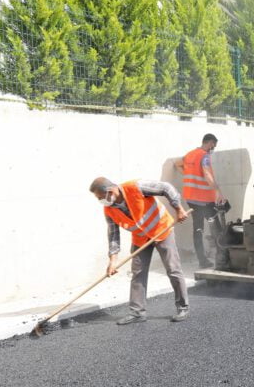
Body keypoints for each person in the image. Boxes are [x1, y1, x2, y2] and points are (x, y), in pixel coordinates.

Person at [89, 177, 190, 325]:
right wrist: (113, 261)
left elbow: (166, 188)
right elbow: (113, 235)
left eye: (99, 197)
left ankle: (183, 307)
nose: (100, 201)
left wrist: (179, 209)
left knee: (173, 269)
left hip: (162, 230)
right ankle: (137, 312)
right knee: (138, 273)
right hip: (140, 239)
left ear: (110, 192)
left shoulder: (136, 187)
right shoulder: (109, 209)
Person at [177, 134, 225, 268]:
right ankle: (223, 259)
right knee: (216, 228)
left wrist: (189, 175)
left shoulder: (190, 154)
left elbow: (178, 164)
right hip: (205, 200)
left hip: (191, 199)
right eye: (213, 145)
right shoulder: (204, 156)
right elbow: (207, 174)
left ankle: (202, 261)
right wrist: (218, 192)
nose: (213, 148)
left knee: (198, 229)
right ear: (209, 142)